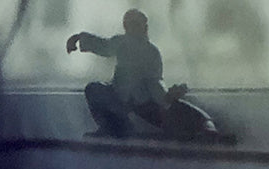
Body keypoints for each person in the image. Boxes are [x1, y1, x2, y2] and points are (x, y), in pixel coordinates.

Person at [67, 8, 233, 143]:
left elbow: (155, 81)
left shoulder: (151, 52)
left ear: (144, 27)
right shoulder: (121, 43)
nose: (135, 29)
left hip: (145, 100)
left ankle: (208, 129)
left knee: (179, 113)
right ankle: (112, 128)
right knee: (93, 89)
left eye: (138, 25)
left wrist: (166, 98)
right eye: (131, 25)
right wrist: (78, 38)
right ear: (126, 27)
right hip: (119, 95)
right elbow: (103, 46)